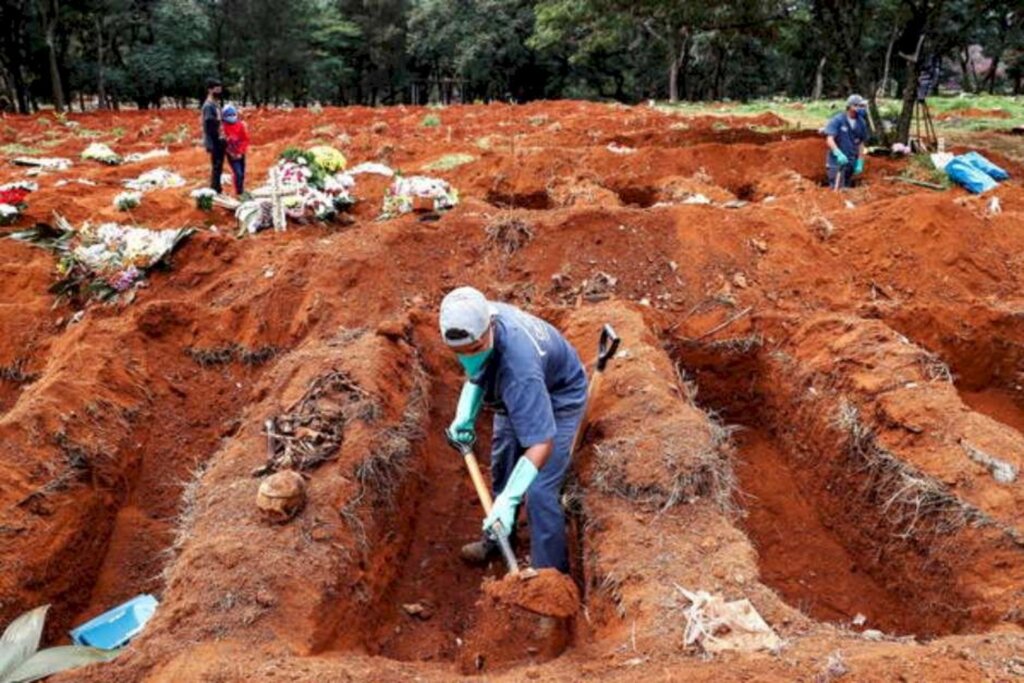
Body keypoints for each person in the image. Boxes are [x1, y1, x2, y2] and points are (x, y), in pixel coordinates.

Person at [441, 286, 587, 574]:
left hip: (560, 396)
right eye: (459, 353)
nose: (467, 358)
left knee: (539, 488)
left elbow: (541, 443)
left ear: (490, 329)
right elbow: (479, 370)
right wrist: (465, 414)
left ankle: (548, 575)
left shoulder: (520, 373)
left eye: (473, 350)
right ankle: (498, 536)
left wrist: (509, 500)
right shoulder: (476, 314)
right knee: (504, 463)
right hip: (517, 390)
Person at [824, 94, 869, 189]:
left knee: (846, 189)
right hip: (836, 162)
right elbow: (829, 138)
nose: (862, 109)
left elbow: (861, 143)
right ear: (851, 106)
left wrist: (860, 161)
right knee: (838, 188)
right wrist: (837, 153)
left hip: (851, 161)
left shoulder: (861, 123)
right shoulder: (838, 120)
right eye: (859, 106)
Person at [201, 78, 225, 194]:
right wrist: (218, 137)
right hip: (215, 140)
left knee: (219, 165)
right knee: (216, 165)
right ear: (210, 90)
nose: (219, 92)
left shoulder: (215, 104)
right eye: (217, 90)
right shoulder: (208, 106)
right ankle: (215, 189)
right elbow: (210, 124)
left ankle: (217, 187)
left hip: (218, 139)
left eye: (220, 89)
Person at [221, 104, 250, 195]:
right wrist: (231, 152)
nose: (232, 117)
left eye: (233, 115)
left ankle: (241, 189)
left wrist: (241, 151)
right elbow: (223, 142)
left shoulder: (240, 125)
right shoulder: (223, 127)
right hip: (231, 154)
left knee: (242, 172)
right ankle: (239, 192)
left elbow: (245, 139)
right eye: (229, 115)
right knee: (238, 173)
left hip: (241, 152)